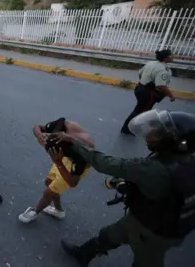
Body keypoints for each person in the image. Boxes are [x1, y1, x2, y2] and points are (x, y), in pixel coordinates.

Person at [57, 109, 195, 267]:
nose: (149, 134)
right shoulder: (188, 160)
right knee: (112, 234)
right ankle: (84, 254)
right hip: (163, 219)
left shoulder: (154, 169)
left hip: (154, 231)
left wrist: (74, 143)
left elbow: (106, 163)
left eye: (158, 134)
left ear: (176, 143)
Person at [18, 118, 94, 223]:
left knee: (48, 192)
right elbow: (37, 127)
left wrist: (58, 163)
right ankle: (59, 211)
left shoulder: (83, 155)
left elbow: (73, 182)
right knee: (48, 182)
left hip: (73, 167)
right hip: (62, 159)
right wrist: (39, 134)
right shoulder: (60, 126)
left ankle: (35, 212)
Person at [121, 49, 176, 135]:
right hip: (148, 93)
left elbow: (140, 73)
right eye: (171, 55)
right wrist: (171, 96)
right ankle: (127, 129)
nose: (173, 56)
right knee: (140, 111)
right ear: (165, 58)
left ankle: (134, 127)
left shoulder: (151, 63)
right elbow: (161, 85)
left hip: (140, 88)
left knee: (142, 109)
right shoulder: (163, 70)